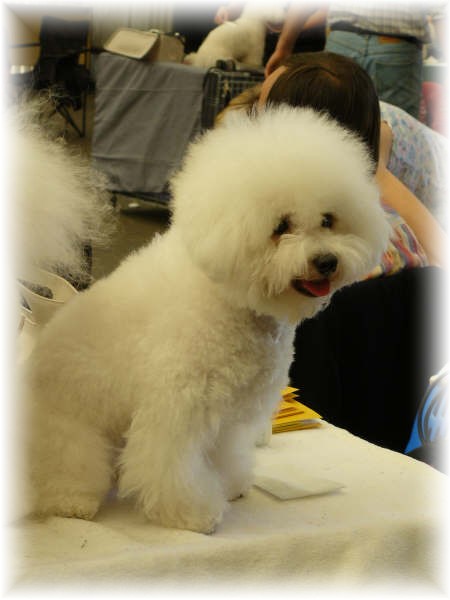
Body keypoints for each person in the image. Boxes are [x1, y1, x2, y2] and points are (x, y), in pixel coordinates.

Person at [254, 52, 447, 461]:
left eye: (262, 114)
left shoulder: (302, 265)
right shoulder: (404, 236)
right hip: (390, 448)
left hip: (312, 449)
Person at [265, 2, 447, 119]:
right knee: (395, 138)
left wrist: (284, 47)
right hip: (395, 49)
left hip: (342, 42)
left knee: (333, 133)